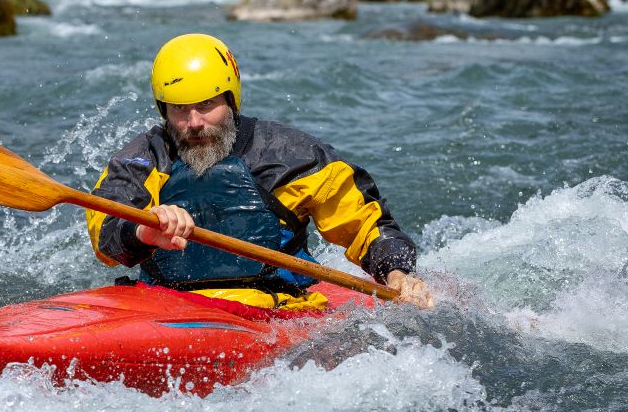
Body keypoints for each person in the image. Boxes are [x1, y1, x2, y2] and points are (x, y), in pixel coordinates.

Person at [86, 33, 433, 309]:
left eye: (206, 104)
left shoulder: (292, 157)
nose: (194, 122)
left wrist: (396, 273)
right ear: (163, 109)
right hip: (166, 305)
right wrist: (142, 231)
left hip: (275, 308)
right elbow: (105, 231)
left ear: (231, 99)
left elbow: (366, 225)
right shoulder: (142, 159)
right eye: (179, 109)